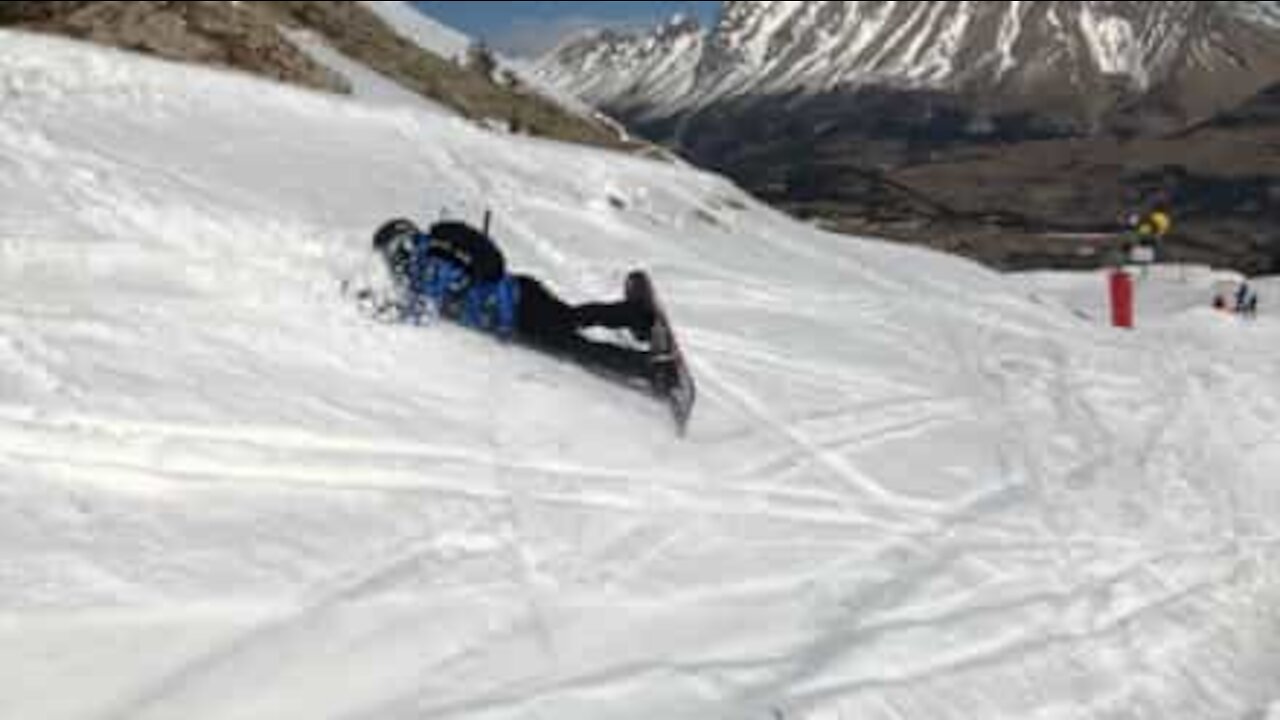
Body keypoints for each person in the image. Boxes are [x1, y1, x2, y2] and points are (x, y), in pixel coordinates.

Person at [370, 218, 674, 391]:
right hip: (515, 306)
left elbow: (432, 302)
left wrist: (382, 309)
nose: (391, 261)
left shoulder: (433, 254)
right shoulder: (419, 270)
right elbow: (425, 306)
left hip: (517, 306)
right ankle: (635, 319)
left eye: (390, 252)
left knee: (573, 342)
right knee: (571, 324)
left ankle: (648, 364)